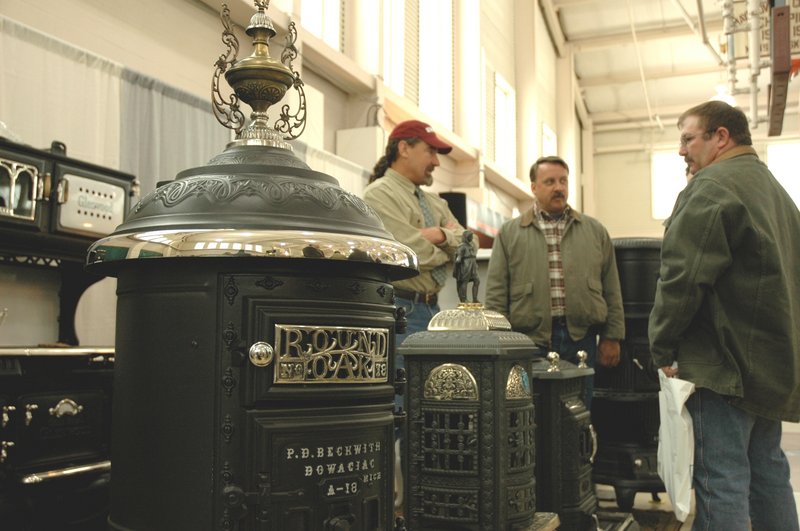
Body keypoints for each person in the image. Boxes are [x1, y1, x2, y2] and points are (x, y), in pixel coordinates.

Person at [649, 101, 800, 531]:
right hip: (768, 366)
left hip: (723, 365)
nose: (681, 151)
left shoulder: (712, 187)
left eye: (687, 138)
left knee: (722, 481)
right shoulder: (775, 191)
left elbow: (683, 278)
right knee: (769, 474)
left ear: (721, 137)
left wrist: (660, 344)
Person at [484, 155, 624, 407]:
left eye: (563, 181)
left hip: (582, 340)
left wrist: (612, 336)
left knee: (578, 411)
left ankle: (578, 448)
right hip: (528, 342)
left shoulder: (594, 230)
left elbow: (611, 286)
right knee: (529, 412)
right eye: (549, 181)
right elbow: (496, 291)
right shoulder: (510, 233)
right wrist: (499, 342)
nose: (558, 187)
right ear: (534, 187)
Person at [364, 119, 477, 343]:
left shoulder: (435, 202)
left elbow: (471, 245)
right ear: (404, 148)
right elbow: (408, 253)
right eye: (430, 152)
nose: (436, 162)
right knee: (405, 378)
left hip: (434, 310)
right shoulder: (378, 195)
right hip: (400, 311)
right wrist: (448, 252)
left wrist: (439, 235)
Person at [453, 230, 480, 304]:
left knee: (477, 281)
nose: (471, 238)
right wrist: (458, 260)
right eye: (470, 236)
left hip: (473, 265)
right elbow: (458, 258)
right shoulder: (461, 247)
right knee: (464, 281)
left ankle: (475, 299)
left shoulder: (471, 245)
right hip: (466, 265)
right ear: (466, 237)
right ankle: (464, 299)